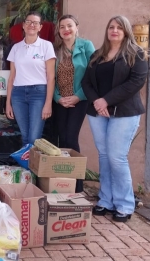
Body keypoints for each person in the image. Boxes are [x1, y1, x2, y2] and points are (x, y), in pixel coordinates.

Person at [82, 15, 148, 222]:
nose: (115, 31)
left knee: (116, 158)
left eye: (120, 27)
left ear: (126, 31)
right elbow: (86, 83)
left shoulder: (136, 54)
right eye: (111, 27)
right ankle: (106, 200)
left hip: (125, 112)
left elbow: (135, 83)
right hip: (98, 112)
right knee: (104, 155)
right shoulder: (97, 55)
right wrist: (97, 102)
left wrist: (106, 101)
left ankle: (125, 204)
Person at [53, 15, 95, 193]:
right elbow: (50, 78)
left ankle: (77, 186)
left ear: (76, 27)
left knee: (71, 139)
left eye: (69, 25)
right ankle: (63, 184)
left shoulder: (86, 46)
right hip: (60, 101)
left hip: (79, 100)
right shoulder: (55, 50)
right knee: (61, 141)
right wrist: (57, 98)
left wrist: (78, 96)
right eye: (62, 27)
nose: (65, 29)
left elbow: (93, 75)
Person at [5, 11, 56, 146]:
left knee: (34, 137)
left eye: (35, 23)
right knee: (25, 136)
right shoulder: (16, 48)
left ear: (40, 27)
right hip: (18, 94)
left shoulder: (46, 46)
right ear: (23, 25)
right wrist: (8, 102)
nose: (31, 25)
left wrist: (48, 103)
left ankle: (33, 167)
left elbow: (51, 77)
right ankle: (27, 166)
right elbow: (11, 78)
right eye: (28, 22)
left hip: (39, 93)